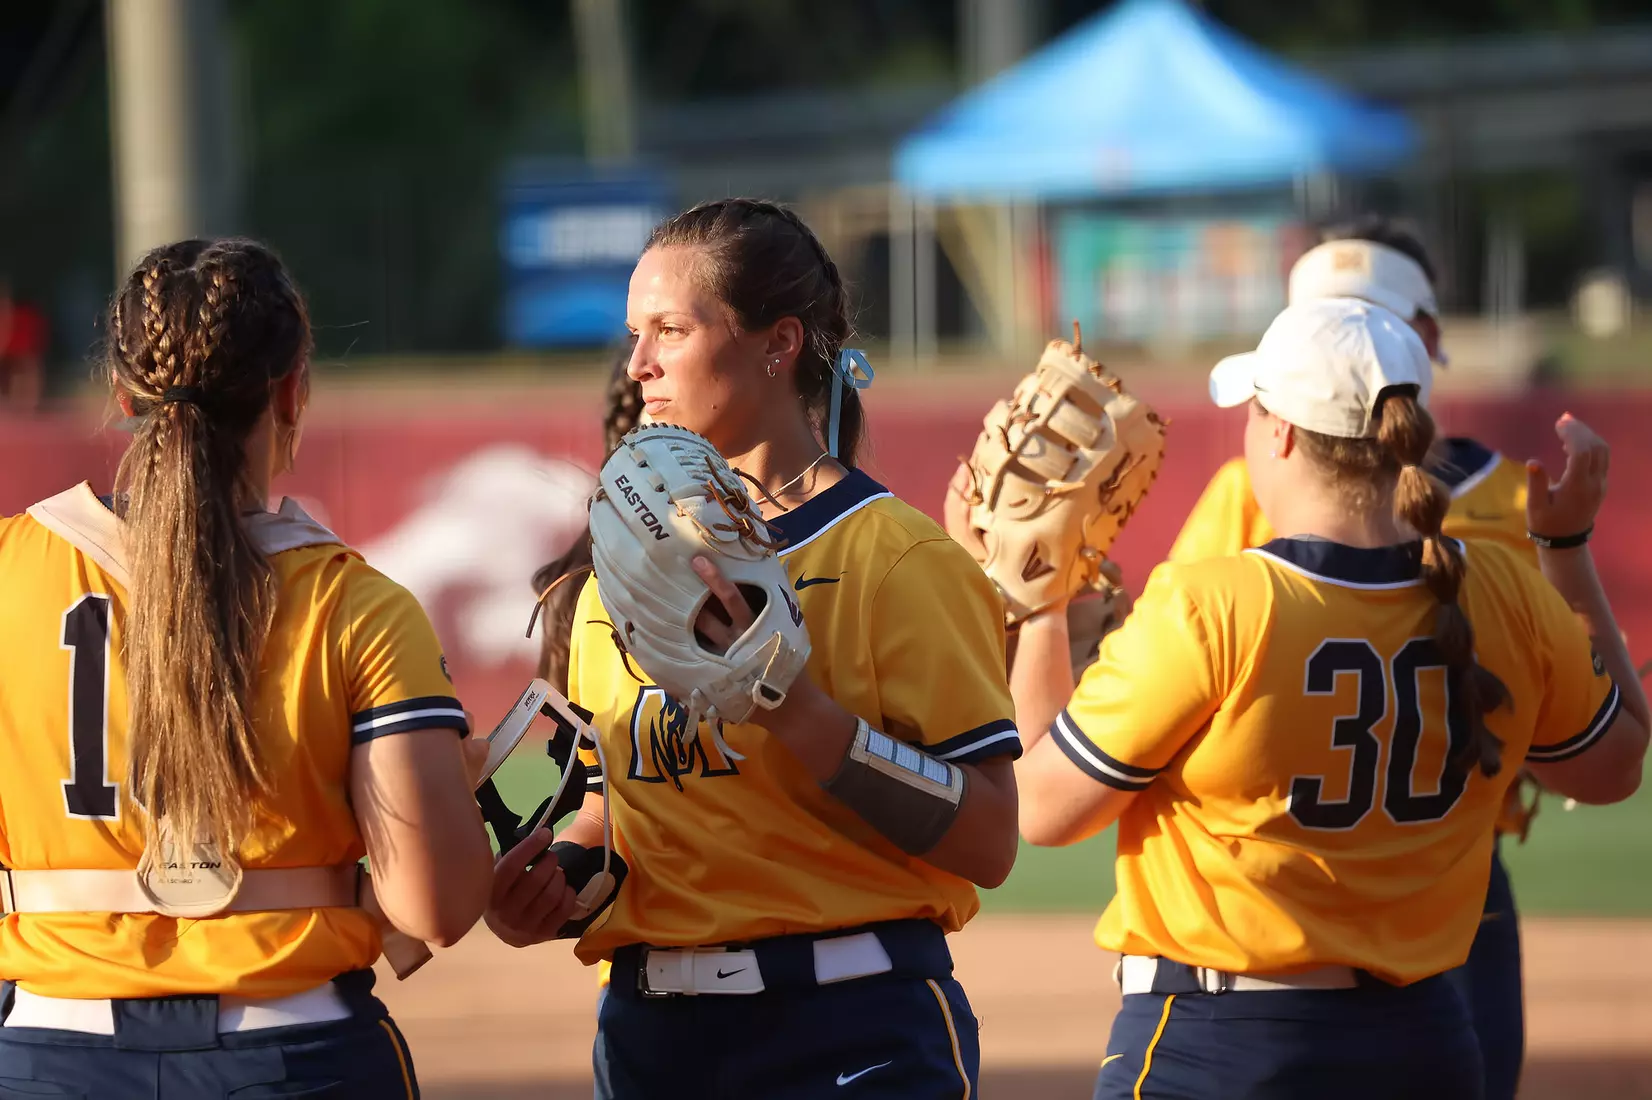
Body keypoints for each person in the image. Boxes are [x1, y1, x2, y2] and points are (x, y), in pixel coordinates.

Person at [1008, 297, 1647, 1099]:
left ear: (1276, 433)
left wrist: (1038, 604)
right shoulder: (1505, 590)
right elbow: (1618, 764)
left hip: (1223, 1050)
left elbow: (1040, 808)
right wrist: (1566, 551)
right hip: (1427, 1046)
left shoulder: (1211, 605)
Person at [487, 198, 1022, 1099]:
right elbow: (610, 807)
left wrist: (803, 715)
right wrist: (555, 885)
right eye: (634, 333)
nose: (639, 364)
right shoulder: (614, 572)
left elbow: (989, 837)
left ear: (778, 344)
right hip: (654, 1037)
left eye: (670, 329)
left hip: (850, 1033)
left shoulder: (898, 560)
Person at [0, 238, 502, 1098]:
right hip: (291, 1053)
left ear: (119, 393)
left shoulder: (11, 566)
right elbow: (438, 911)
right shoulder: (359, 604)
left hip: (49, 1050)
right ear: (291, 390)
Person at [1167, 216, 1540, 1100]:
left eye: (1367, 318)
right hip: (1286, 882)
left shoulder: (1523, 502)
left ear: (1429, 339)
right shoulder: (1243, 489)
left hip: (1453, 867)